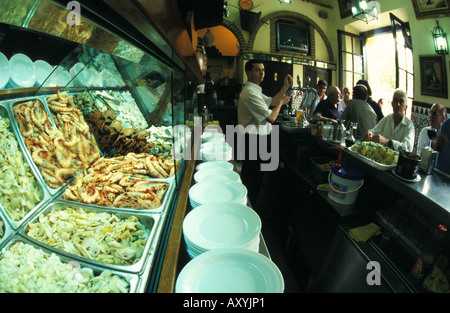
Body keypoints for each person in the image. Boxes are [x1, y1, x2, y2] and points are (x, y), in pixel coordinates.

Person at [237, 59, 292, 206]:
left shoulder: (255, 90)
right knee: (252, 179)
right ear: (248, 73)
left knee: (255, 176)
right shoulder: (249, 93)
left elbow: (272, 101)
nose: (262, 73)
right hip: (253, 140)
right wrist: (281, 103)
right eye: (257, 70)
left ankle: (250, 204)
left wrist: (285, 87)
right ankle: (248, 208)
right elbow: (272, 117)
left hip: (258, 139)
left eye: (263, 70)